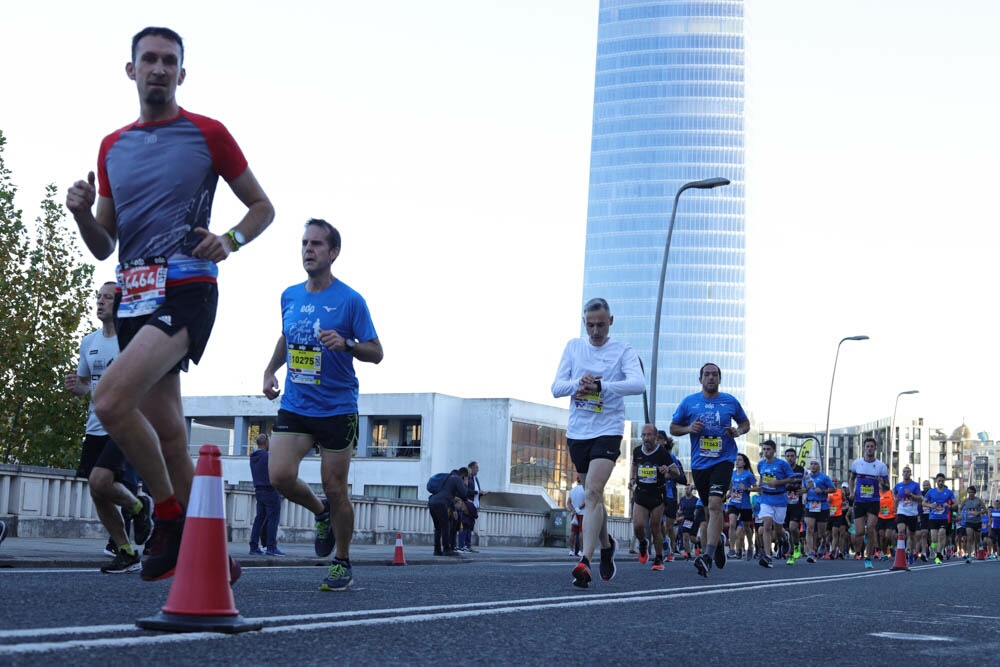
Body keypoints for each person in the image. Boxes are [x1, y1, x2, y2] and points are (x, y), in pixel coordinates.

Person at [66, 27, 274, 582]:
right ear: (131, 71)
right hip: (133, 294)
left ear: (181, 74)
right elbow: (104, 244)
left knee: (110, 401)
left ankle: (168, 516)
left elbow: (261, 207)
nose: (159, 69)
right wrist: (83, 214)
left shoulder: (208, 133)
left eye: (169, 61)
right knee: (170, 434)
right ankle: (218, 558)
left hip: (187, 288)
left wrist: (229, 241)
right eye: (149, 60)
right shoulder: (112, 146)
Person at [263, 218, 383, 592]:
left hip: (337, 407)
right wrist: (269, 371)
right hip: (297, 402)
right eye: (304, 243)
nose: (308, 250)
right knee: (279, 476)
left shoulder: (350, 300)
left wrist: (346, 344)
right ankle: (321, 514)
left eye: (316, 244)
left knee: (335, 486)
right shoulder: (290, 295)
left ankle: (342, 560)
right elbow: (286, 337)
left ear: (333, 252)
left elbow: (376, 352)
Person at [551, 297, 645, 588]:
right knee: (594, 497)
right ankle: (606, 545)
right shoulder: (574, 347)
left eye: (601, 325)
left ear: (611, 321)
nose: (595, 331)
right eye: (590, 325)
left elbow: (638, 384)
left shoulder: (623, 350)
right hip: (579, 432)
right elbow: (556, 388)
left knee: (592, 491)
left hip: (608, 429)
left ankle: (585, 559)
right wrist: (579, 383)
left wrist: (602, 385)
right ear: (584, 322)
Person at [65, 281, 152, 574]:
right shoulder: (88, 342)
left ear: (121, 304)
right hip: (95, 425)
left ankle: (139, 507)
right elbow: (87, 385)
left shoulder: (131, 339)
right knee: (97, 492)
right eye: (98, 297)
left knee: (100, 481)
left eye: (108, 298)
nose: (100, 302)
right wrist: (77, 387)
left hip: (125, 421)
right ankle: (126, 550)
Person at [670, 362, 750, 577]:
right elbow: (673, 428)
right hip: (699, 464)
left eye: (715, 374)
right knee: (707, 510)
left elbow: (745, 423)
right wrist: (688, 428)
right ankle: (719, 540)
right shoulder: (689, 402)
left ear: (720, 379)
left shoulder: (730, 401)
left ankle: (707, 555)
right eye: (707, 374)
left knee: (715, 504)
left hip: (723, 460)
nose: (711, 378)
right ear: (700, 379)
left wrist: (737, 431)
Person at [630, 424, 679, 571]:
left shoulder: (663, 453)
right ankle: (643, 543)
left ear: (656, 437)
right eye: (643, 435)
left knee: (655, 527)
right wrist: (632, 479)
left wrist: (668, 469)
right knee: (638, 526)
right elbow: (634, 465)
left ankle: (658, 558)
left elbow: (677, 472)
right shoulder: (637, 451)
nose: (646, 438)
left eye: (649, 435)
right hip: (641, 493)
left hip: (657, 495)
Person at [755, 440, 797, 568]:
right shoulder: (760, 464)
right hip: (766, 499)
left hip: (780, 499)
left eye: (768, 449)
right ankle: (768, 556)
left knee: (778, 529)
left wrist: (777, 483)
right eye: (764, 449)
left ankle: (785, 538)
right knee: (767, 526)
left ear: (774, 451)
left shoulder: (782, 464)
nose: (765, 451)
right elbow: (762, 478)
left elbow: (792, 478)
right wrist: (760, 486)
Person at [848, 437, 889, 569]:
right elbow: (851, 479)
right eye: (867, 446)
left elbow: (887, 486)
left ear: (875, 448)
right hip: (859, 500)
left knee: (871, 529)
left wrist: (882, 483)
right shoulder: (857, 464)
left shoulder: (881, 466)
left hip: (873, 501)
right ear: (864, 448)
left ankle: (868, 558)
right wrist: (851, 492)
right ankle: (862, 543)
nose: (869, 449)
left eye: (872, 446)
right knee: (859, 532)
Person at [249, 433, 284, 556]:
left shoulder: (253, 457)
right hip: (271, 490)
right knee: (273, 519)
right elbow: (277, 472)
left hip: (259, 490)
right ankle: (271, 547)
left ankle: (253, 547)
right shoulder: (268, 457)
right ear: (266, 443)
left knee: (259, 519)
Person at [428, 468, 470, 556]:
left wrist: (453, 510)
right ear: (463, 476)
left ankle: (437, 550)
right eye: (466, 478)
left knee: (438, 527)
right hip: (441, 503)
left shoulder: (447, 478)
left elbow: (449, 495)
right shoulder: (457, 478)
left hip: (432, 502)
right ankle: (447, 549)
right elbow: (464, 493)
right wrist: (465, 484)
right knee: (446, 526)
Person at [802, 458, 834, 563]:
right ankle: (811, 552)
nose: (813, 466)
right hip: (810, 504)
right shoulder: (806, 477)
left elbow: (833, 488)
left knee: (821, 532)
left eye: (815, 464)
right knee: (810, 528)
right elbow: (803, 489)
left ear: (819, 466)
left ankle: (823, 542)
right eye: (811, 464)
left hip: (822, 505)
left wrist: (823, 491)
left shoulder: (824, 477)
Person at [727, 453, 756, 560]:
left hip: (745, 504)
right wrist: (728, 493)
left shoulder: (748, 475)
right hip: (733, 503)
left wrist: (747, 489)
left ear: (744, 463)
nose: (737, 462)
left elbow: (757, 488)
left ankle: (750, 546)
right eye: (736, 460)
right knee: (731, 524)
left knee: (746, 527)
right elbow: (730, 485)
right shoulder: (732, 473)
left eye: (739, 460)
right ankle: (731, 549)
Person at [892, 466, 922, 564]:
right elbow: (894, 492)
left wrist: (911, 495)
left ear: (910, 474)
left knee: (911, 535)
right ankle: (901, 551)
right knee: (901, 530)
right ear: (902, 473)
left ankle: (910, 553)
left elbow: (920, 498)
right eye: (904, 471)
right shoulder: (898, 485)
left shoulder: (915, 485)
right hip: (902, 511)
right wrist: (895, 499)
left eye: (908, 472)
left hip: (912, 513)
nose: (906, 473)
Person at [924, 473, 955, 564]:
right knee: (934, 538)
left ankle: (938, 555)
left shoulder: (948, 492)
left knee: (941, 533)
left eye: (942, 481)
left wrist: (948, 506)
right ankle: (933, 549)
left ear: (944, 481)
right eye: (939, 481)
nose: (940, 482)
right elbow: (923, 503)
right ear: (936, 481)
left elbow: (956, 503)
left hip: (943, 518)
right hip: (933, 518)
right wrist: (930, 505)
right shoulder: (931, 492)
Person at [782, 448, 806, 565]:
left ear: (795, 457)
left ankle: (795, 547)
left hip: (797, 504)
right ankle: (792, 549)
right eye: (788, 456)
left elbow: (810, 482)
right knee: (786, 531)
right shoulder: (781, 470)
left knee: (793, 528)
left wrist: (805, 489)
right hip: (784, 504)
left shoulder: (801, 470)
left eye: (792, 456)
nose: (790, 458)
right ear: (785, 457)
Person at [462, 460, 485, 552]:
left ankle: (468, 545)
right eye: (476, 468)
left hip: (474, 504)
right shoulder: (467, 478)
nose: (478, 470)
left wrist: (481, 493)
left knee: (471, 525)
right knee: (466, 524)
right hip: (468, 504)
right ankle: (465, 545)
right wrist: (477, 492)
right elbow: (465, 491)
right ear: (471, 468)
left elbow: (476, 491)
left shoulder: (475, 478)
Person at [960, 486, 986, 564]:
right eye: (969, 492)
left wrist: (978, 513)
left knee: (977, 539)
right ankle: (969, 556)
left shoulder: (978, 500)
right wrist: (961, 515)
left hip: (977, 522)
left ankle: (980, 549)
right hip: (969, 522)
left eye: (972, 492)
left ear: (974, 493)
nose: (970, 494)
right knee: (969, 538)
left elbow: (985, 509)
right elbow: (960, 508)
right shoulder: (965, 501)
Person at [876, 478, 897, 560]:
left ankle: (888, 548)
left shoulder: (891, 493)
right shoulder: (877, 493)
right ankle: (884, 553)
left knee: (887, 536)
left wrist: (895, 506)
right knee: (881, 536)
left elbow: (895, 501)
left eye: (883, 482)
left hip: (890, 517)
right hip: (880, 517)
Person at [827, 481, 848, 560]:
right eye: (833, 481)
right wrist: (827, 501)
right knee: (827, 535)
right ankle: (830, 548)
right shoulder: (827, 491)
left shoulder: (840, 491)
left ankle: (834, 551)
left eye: (836, 481)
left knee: (836, 533)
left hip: (838, 515)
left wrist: (843, 502)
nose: (834, 483)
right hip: (828, 515)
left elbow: (845, 501)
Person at [567, 476, 585, 557]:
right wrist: (579, 508)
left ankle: (571, 550)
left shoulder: (572, 490)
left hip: (574, 514)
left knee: (572, 532)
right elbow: (586, 501)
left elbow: (568, 503)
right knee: (582, 532)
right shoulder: (585, 489)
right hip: (582, 513)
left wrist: (573, 510)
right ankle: (581, 551)